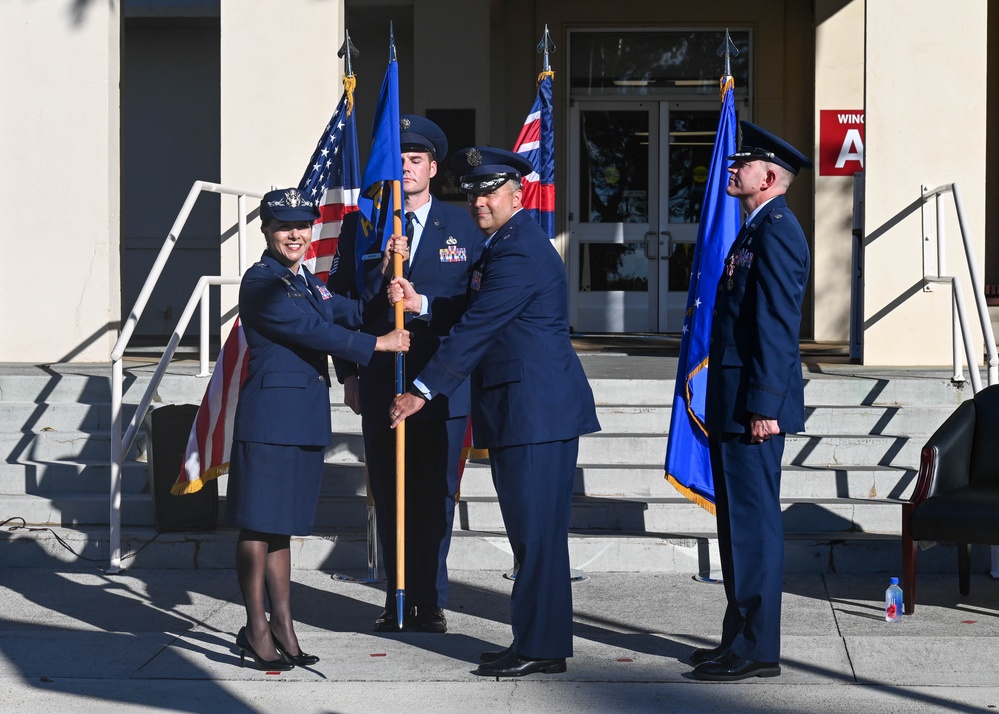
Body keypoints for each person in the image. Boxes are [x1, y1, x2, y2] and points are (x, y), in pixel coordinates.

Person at [388, 147, 600, 678]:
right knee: (533, 535)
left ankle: (540, 645)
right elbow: (478, 310)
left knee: (535, 535)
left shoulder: (519, 248)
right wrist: (425, 305)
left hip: (535, 411)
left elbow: (477, 330)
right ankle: (538, 641)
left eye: (488, 192)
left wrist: (421, 389)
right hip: (523, 408)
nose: (477, 201)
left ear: (517, 193)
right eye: (472, 192)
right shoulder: (503, 244)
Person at [228, 187, 409, 671]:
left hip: (302, 419)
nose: (295, 234)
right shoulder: (262, 282)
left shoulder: (307, 282)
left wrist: (388, 279)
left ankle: (284, 625)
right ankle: (256, 626)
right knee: (257, 523)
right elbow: (316, 333)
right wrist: (380, 344)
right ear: (266, 230)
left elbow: (347, 309)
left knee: (282, 526)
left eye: (302, 226)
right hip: (269, 418)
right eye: (285, 226)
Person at [327, 115, 484, 633]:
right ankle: (395, 596)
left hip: (441, 382)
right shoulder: (363, 225)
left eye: (416, 160)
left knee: (434, 493)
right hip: (380, 378)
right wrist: (349, 370)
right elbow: (343, 301)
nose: (407, 169)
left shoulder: (464, 226)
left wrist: (422, 303)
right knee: (389, 490)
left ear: (434, 168)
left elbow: (477, 305)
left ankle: (429, 598)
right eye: (398, 161)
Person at [691, 122, 811, 682]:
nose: (732, 170)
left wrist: (765, 403)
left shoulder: (779, 230)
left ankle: (760, 649)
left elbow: (778, 326)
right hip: (733, 400)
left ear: (769, 176)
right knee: (737, 526)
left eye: (743, 164)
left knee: (754, 527)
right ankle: (737, 637)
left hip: (752, 406)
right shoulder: (754, 229)